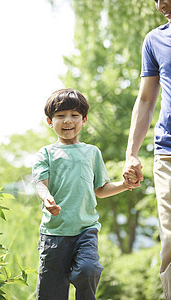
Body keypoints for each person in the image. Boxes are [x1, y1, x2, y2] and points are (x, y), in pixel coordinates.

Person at [32, 88, 137, 300]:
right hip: (54, 233)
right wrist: (47, 198)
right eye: (60, 116)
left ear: (84, 120)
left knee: (88, 269)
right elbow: (40, 184)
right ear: (49, 121)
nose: (67, 121)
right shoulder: (46, 153)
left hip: (85, 230)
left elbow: (100, 189)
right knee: (51, 292)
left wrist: (124, 185)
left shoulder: (92, 152)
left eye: (74, 115)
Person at [123, 0, 171, 299]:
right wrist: (132, 152)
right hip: (168, 152)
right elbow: (145, 100)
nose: (159, 4)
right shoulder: (155, 39)